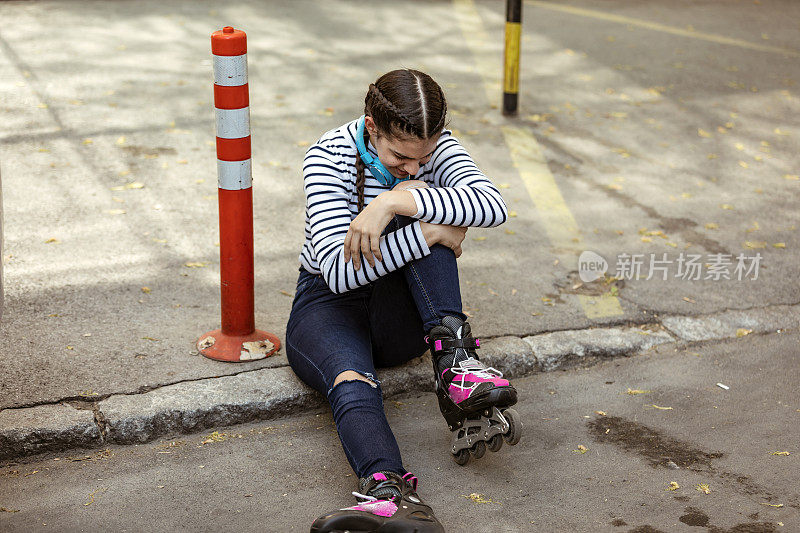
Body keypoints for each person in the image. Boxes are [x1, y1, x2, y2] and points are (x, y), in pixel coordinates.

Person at [285, 68, 518, 533]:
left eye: (423, 157)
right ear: (372, 126)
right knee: (351, 379)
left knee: (415, 203)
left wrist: (396, 202)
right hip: (328, 305)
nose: (413, 166)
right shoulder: (328, 155)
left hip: (402, 316)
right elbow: (338, 271)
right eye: (399, 156)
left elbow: (493, 205)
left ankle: (457, 366)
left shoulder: (436, 147)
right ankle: (391, 494)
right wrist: (429, 228)